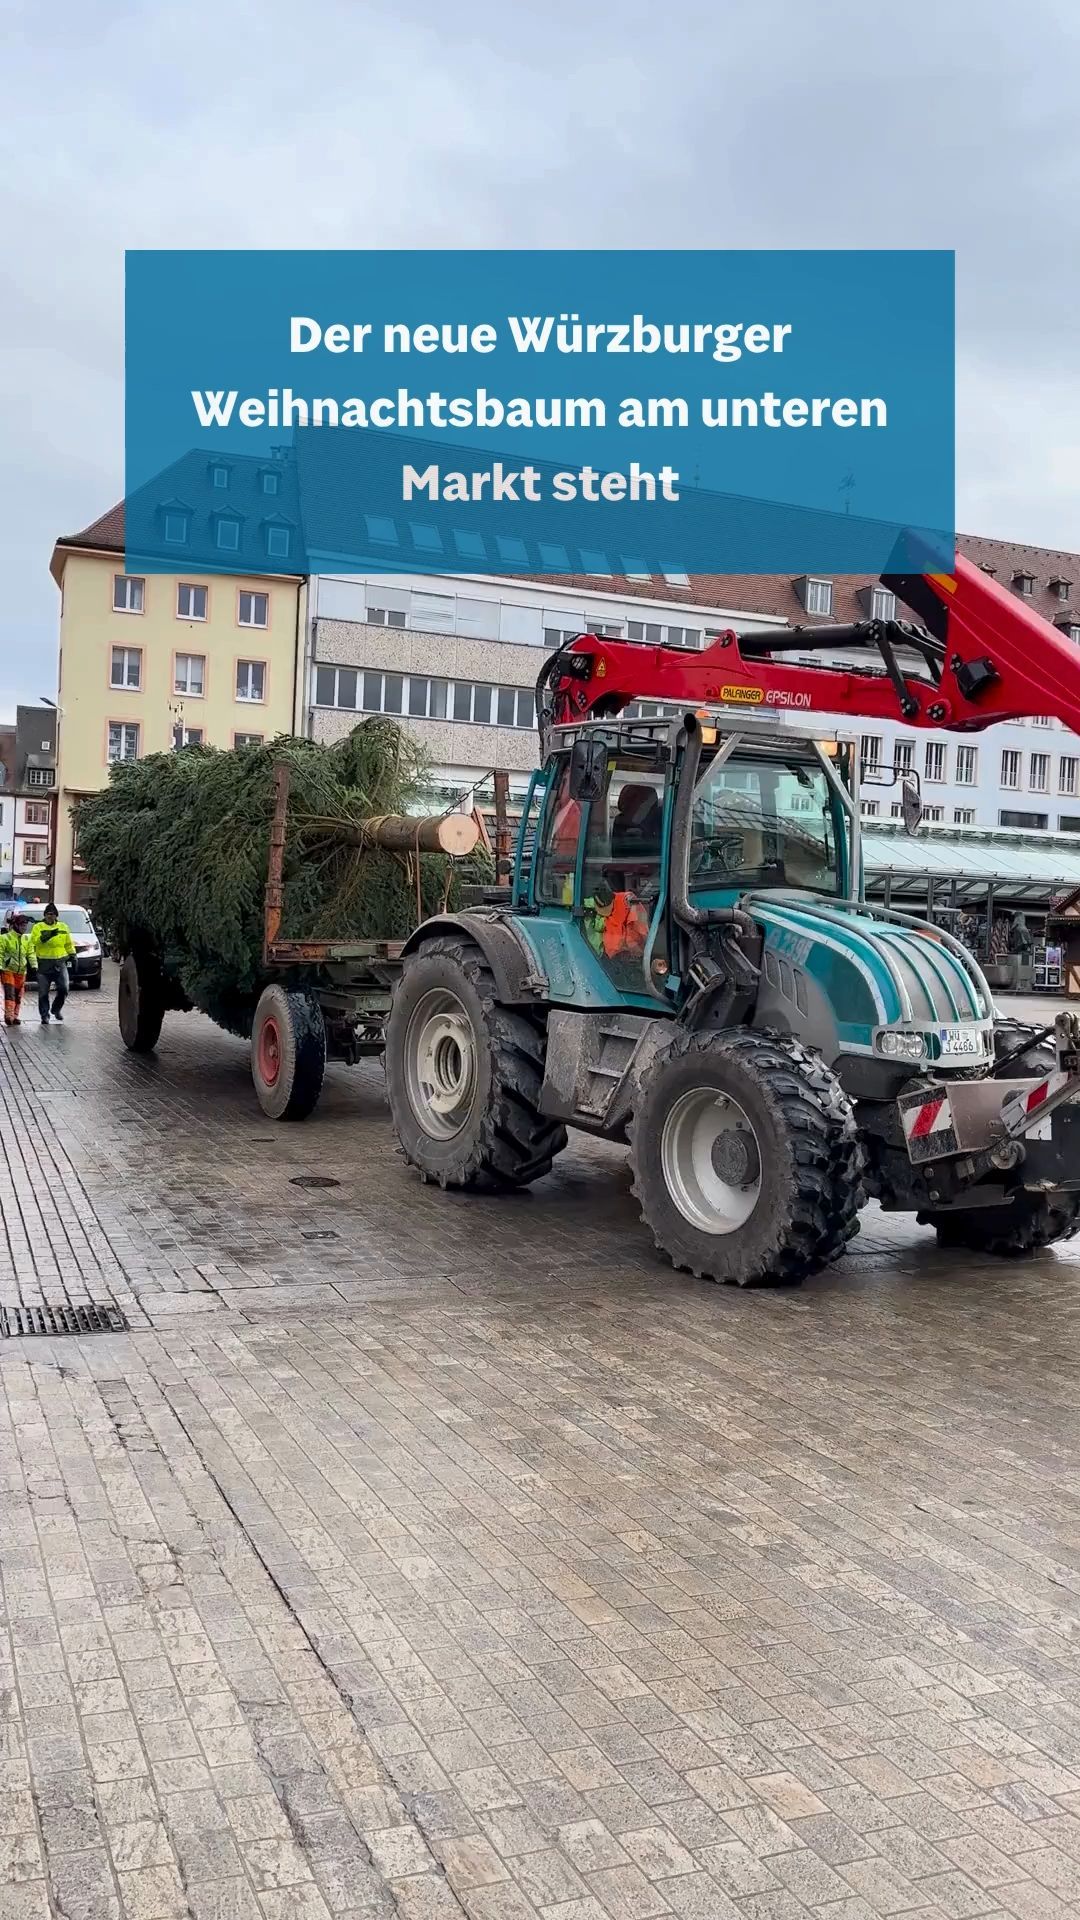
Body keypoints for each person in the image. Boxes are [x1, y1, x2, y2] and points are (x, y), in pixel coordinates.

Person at [29, 903, 75, 1025]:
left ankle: (56, 1009)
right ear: (45, 915)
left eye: (53, 914)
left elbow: (68, 944)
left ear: (56, 916)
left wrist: (73, 955)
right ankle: (44, 1015)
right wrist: (45, 937)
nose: (51, 916)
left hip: (60, 963)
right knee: (43, 992)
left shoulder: (63, 927)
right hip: (43, 964)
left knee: (64, 989)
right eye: (49, 914)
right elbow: (34, 941)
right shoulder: (38, 927)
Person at [1, 911, 32, 1026]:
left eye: (26, 926)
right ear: (17, 925)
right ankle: (9, 1016)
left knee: (18, 995)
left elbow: (30, 953)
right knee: (10, 994)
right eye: (23, 925)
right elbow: (0, 953)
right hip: (7, 970)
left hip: (21, 971)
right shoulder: (5, 938)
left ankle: (14, 1016)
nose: (25, 928)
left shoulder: (26, 939)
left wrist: (34, 965)